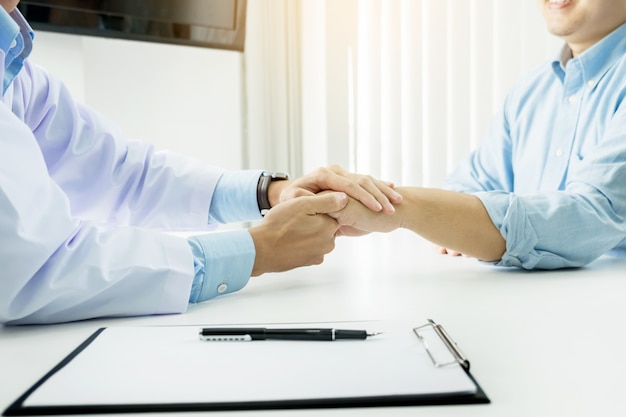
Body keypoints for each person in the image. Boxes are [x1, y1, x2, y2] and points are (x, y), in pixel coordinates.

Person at [0, 1, 402, 325]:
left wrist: (271, 193)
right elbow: (37, 270)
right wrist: (259, 249)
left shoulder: (14, 65)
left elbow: (122, 172)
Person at [331, 0, 626, 270]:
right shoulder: (532, 91)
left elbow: (592, 216)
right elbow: (468, 186)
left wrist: (397, 206)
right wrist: (462, 224)